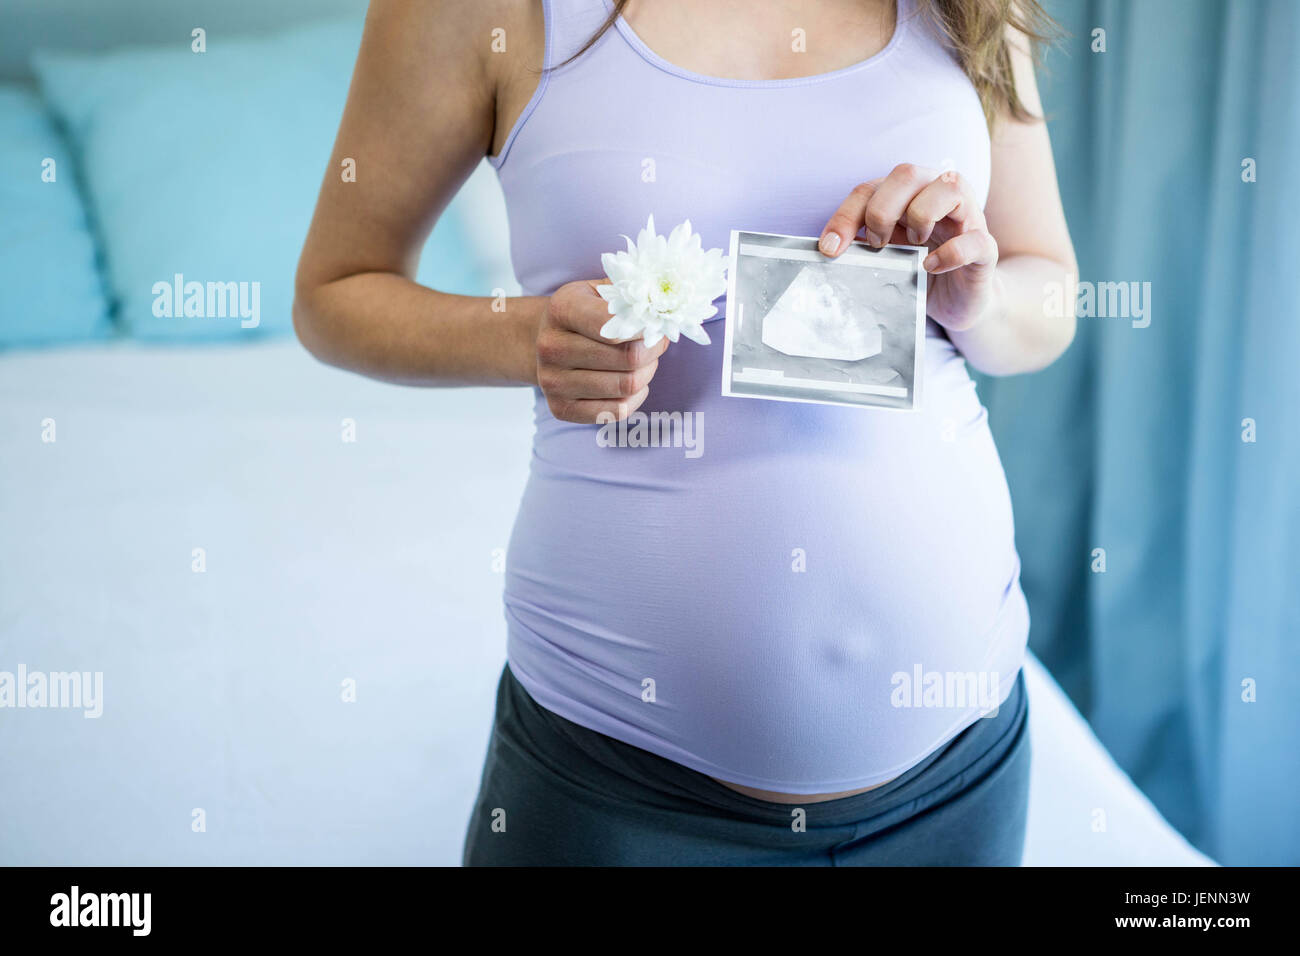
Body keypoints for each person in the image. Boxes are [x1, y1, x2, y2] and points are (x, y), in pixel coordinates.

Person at [293, 0, 1078, 865]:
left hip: (957, 777)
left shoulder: (974, 8)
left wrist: (982, 297)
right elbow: (335, 292)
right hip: (616, 789)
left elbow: (1049, 289)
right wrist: (524, 336)